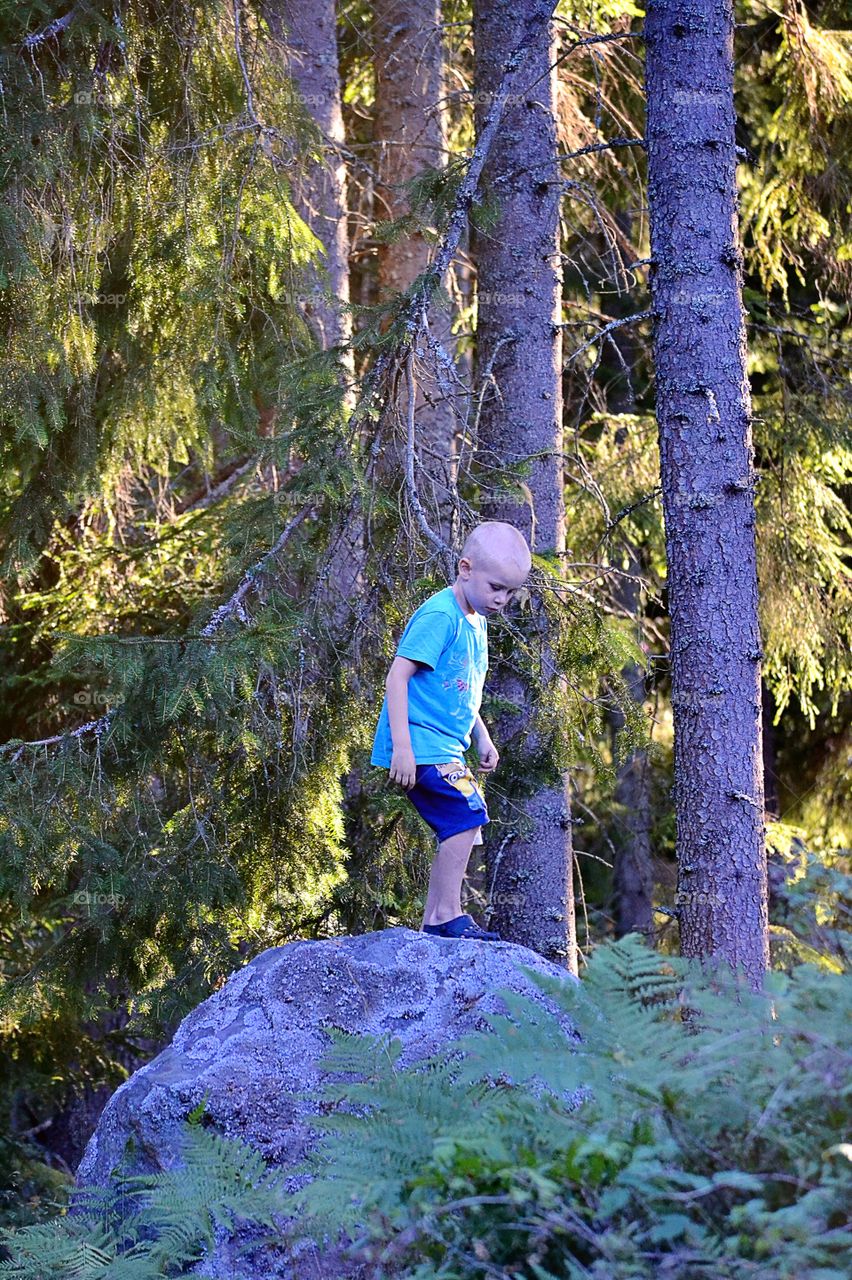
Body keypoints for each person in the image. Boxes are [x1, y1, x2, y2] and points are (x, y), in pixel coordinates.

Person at [370, 521, 532, 941]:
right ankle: (445, 916)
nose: (502, 599)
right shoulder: (441, 615)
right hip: (420, 745)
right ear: (465, 568)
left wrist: (482, 735)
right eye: (496, 586)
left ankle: (434, 923)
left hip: (446, 746)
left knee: (467, 819)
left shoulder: (475, 620)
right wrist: (402, 749)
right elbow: (396, 678)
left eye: (511, 592)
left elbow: (460, 690)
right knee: (466, 814)